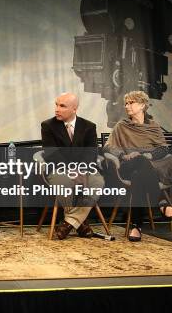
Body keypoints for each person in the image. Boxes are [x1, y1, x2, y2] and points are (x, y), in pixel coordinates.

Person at [105, 90, 172, 242]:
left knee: (139, 174)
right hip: (127, 164)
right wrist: (123, 155)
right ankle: (162, 203)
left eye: (131, 103)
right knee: (139, 163)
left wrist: (148, 156)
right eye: (126, 103)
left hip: (149, 167)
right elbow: (108, 147)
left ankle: (136, 226)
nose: (127, 106)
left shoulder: (153, 126)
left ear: (142, 105)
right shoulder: (122, 125)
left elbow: (163, 148)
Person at [40, 92, 105, 240]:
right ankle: (80, 223)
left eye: (62, 106)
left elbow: (90, 154)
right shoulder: (48, 126)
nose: (57, 109)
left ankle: (69, 222)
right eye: (56, 104)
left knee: (97, 181)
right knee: (65, 181)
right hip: (59, 169)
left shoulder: (89, 126)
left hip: (84, 169)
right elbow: (51, 154)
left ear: (74, 109)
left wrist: (81, 170)